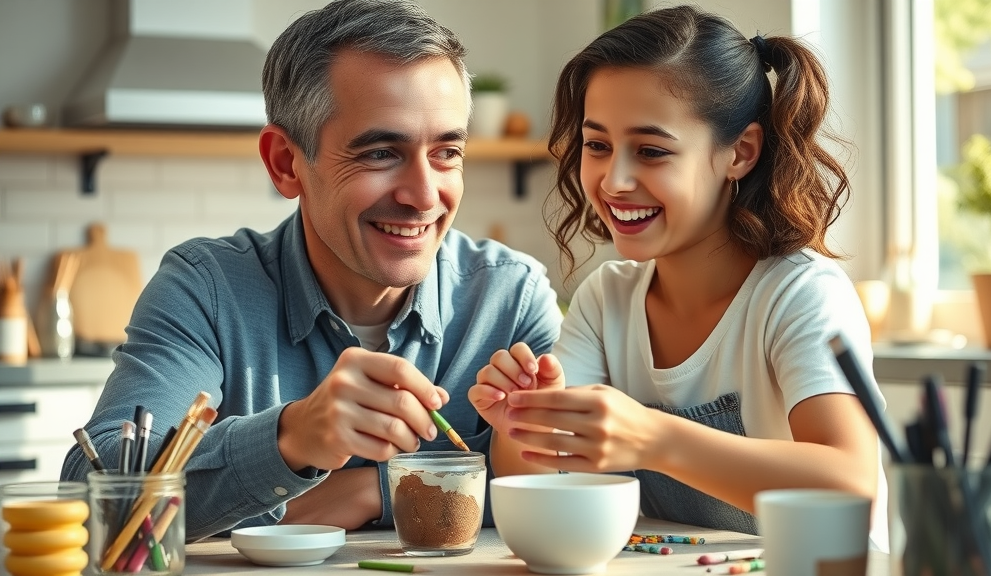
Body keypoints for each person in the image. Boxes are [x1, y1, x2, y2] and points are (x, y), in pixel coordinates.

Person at [61, 0, 562, 542]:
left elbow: (578, 485)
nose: (423, 196)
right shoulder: (205, 289)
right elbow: (93, 493)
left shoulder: (511, 297)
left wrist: (375, 489)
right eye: (379, 153)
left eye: (447, 152)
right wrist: (291, 440)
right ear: (285, 162)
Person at [470, 4, 889, 550]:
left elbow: (850, 486)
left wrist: (653, 438)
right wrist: (525, 422)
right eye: (597, 145)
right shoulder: (606, 299)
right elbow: (536, 476)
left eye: (651, 151)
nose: (614, 180)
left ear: (740, 152)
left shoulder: (800, 294)